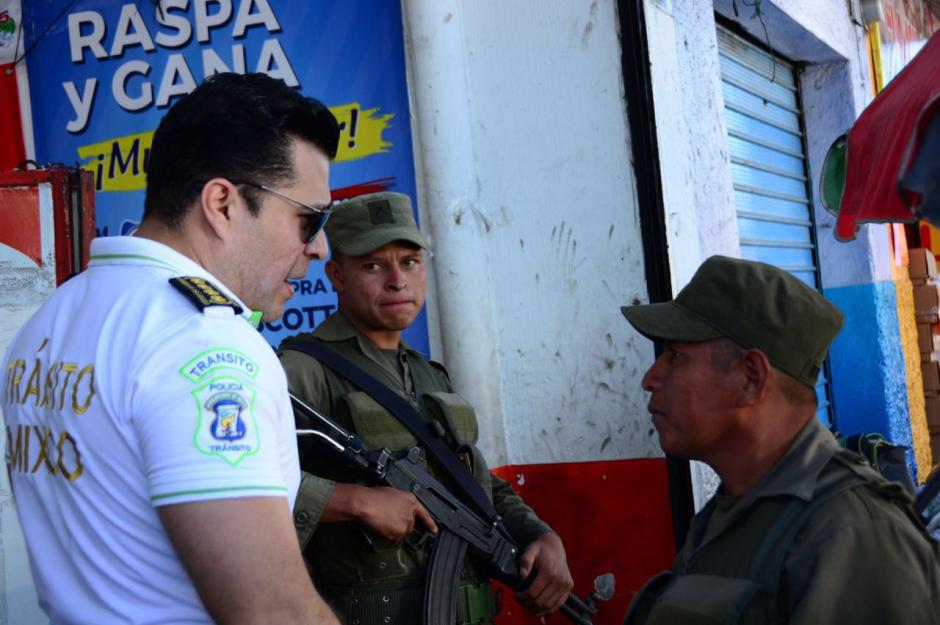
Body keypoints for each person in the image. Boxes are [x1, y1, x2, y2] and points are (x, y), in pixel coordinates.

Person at [1, 73, 341, 624]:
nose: (320, 248)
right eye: (310, 219)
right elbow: (272, 610)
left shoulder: (49, 321)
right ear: (222, 204)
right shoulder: (203, 341)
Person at [279, 191, 574, 624]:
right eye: (373, 265)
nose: (397, 281)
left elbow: (475, 484)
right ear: (337, 276)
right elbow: (245, 488)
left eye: (410, 262)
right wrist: (353, 501)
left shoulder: (430, 376)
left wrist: (539, 534)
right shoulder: (302, 370)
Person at [620, 255, 940, 624]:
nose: (650, 378)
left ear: (751, 378)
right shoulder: (731, 510)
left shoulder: (851, 531)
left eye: (676, 356)